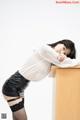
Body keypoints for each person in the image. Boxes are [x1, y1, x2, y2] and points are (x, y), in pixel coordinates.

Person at [2, 39, 77, 120]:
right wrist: (62, 57)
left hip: (20, 88)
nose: (62, 51)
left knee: (17, 117)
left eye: (65, 53)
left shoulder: (50, 60)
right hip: (12, 85)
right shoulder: (45, 48)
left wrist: (62, 57)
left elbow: (65, 63)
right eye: (64, 48)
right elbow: (66, 62)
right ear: (59, 43)